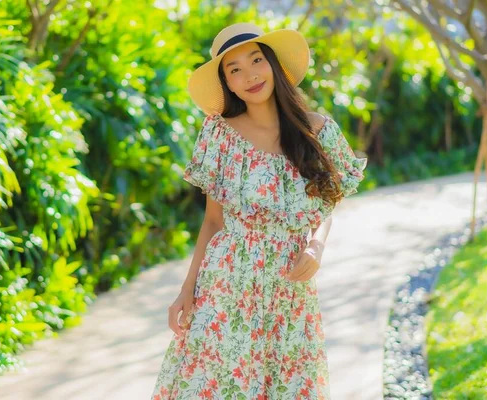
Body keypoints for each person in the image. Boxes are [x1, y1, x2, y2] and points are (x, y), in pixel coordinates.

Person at [151, 22, 367, 399]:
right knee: (219, 386)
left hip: (289, 288)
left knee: (286, 385)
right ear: (227, 85)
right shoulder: (220, 134)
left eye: (256, 60)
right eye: (234, 70)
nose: (249, 75)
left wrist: (316, 245)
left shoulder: (319, 130)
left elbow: (328, 201)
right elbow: (214, 221)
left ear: (274, 65)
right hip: (227, 281)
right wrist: (187, 290)